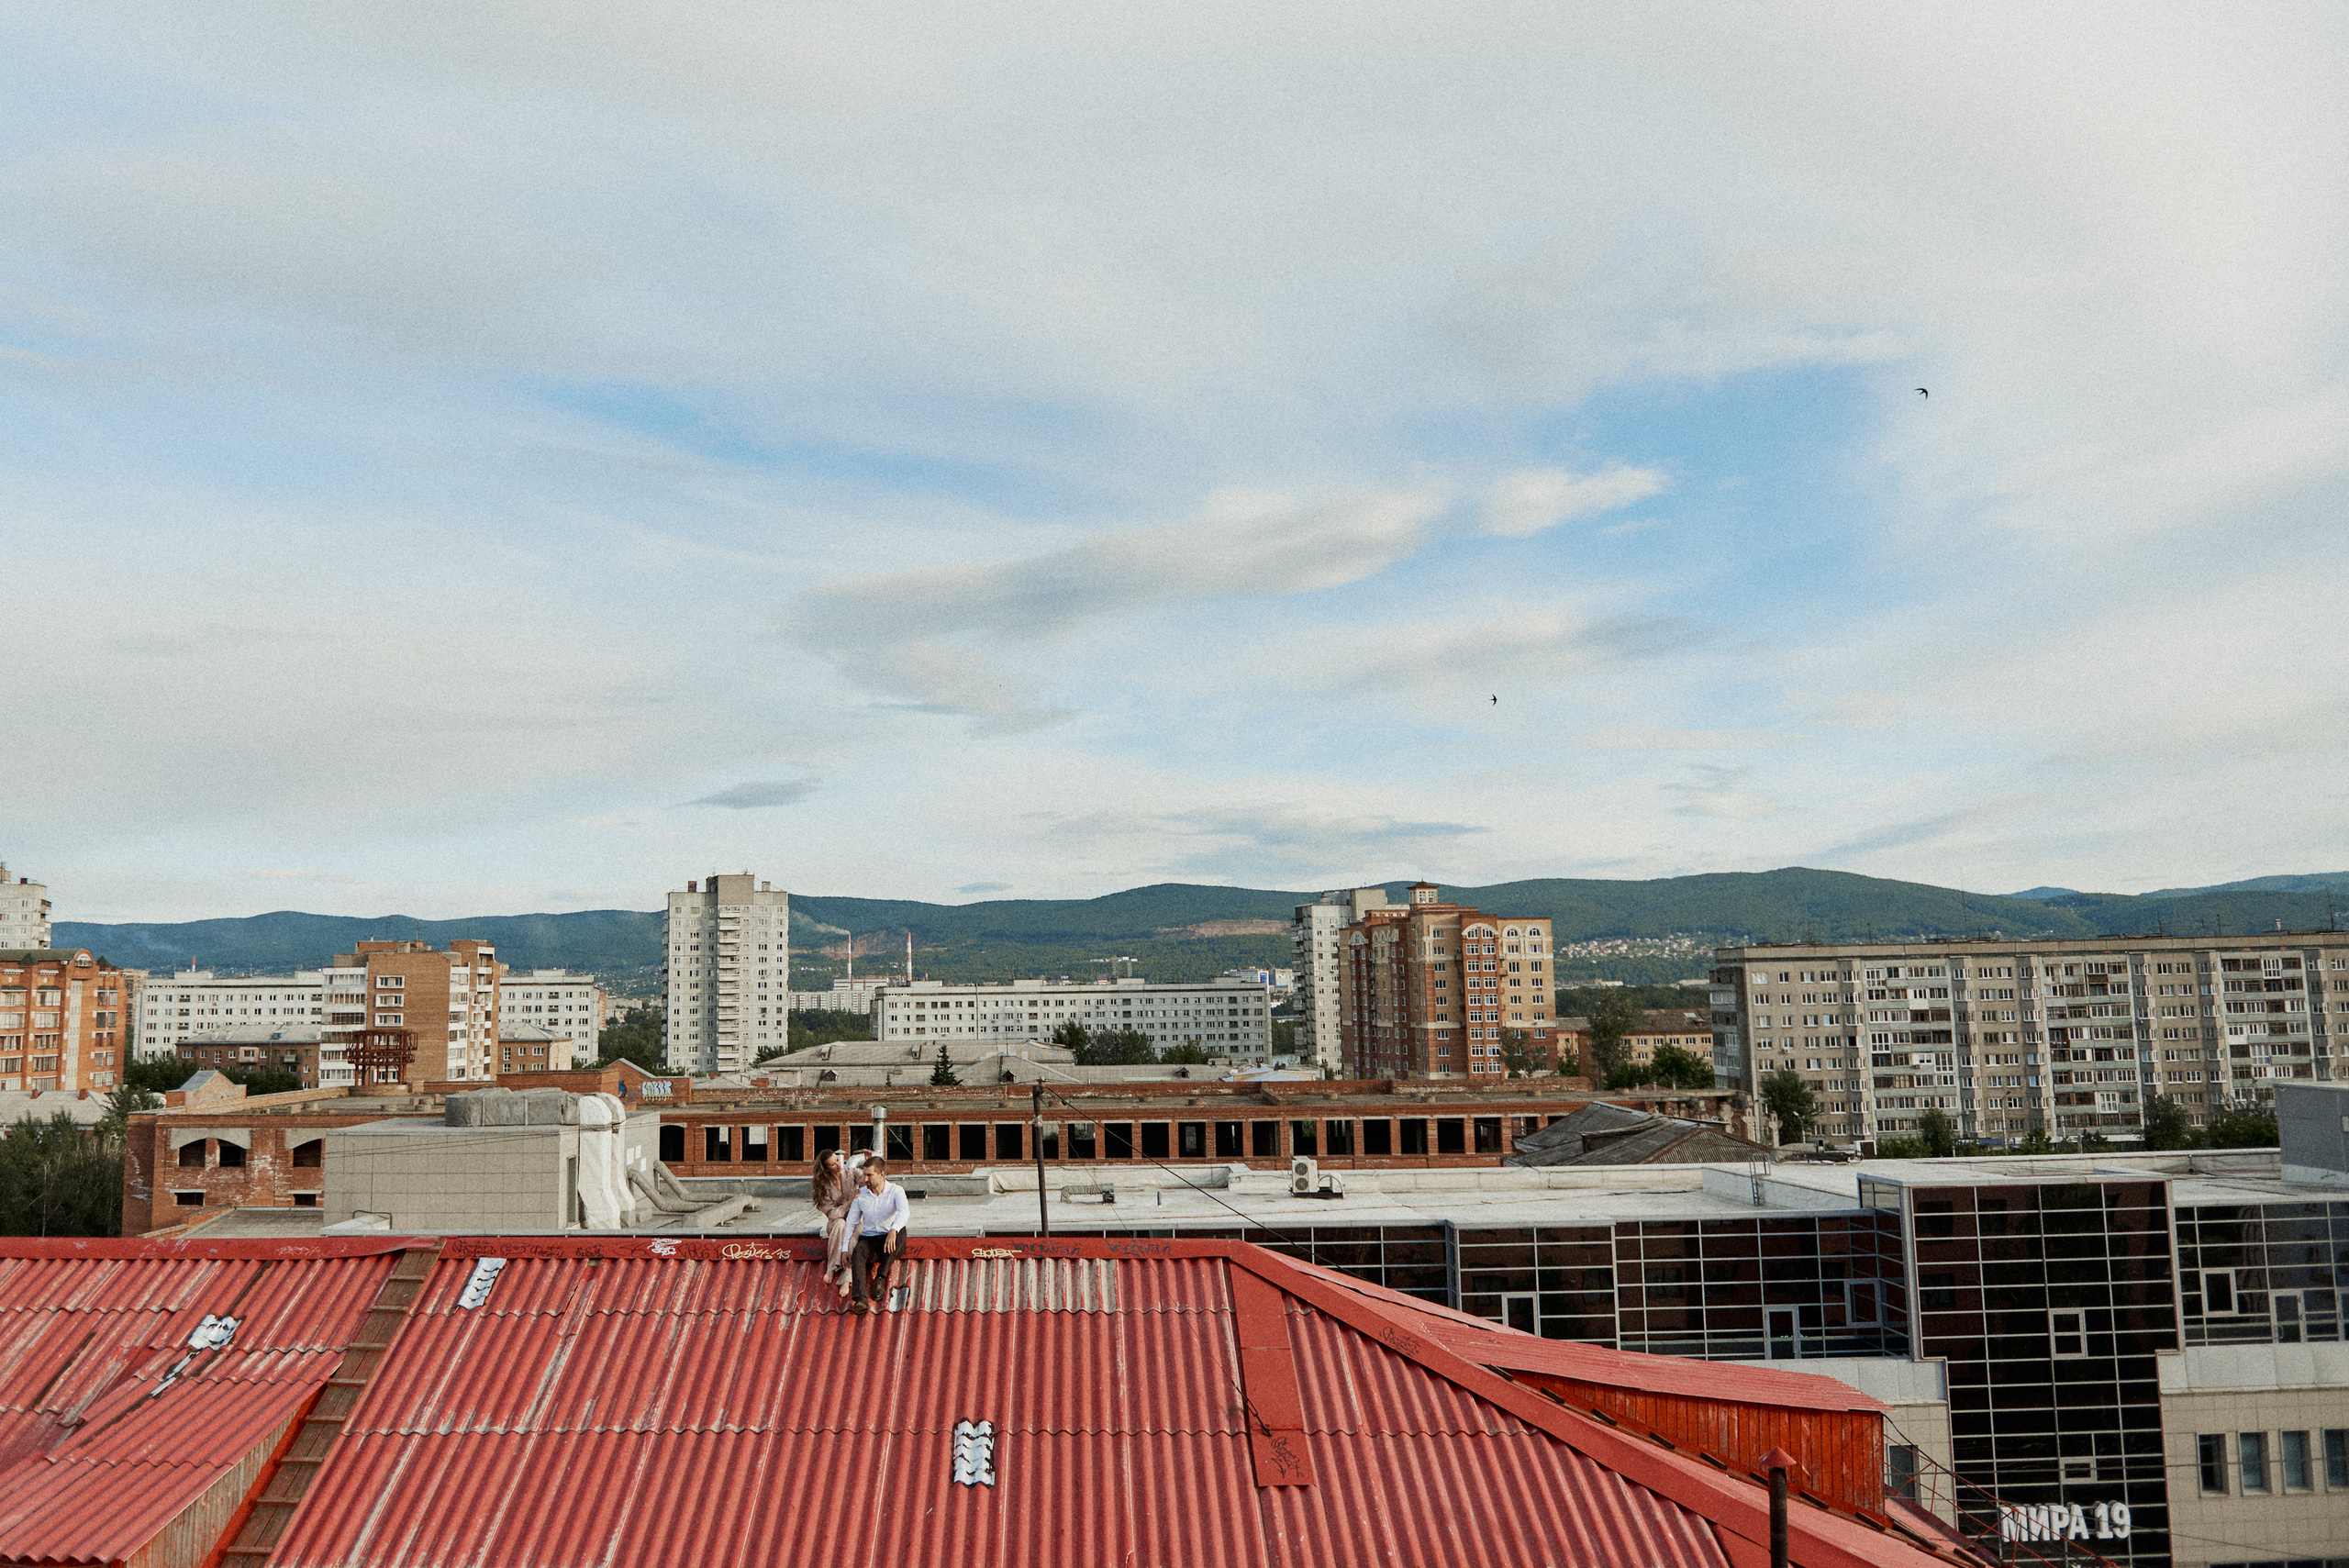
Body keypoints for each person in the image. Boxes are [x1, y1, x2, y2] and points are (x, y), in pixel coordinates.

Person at [842, 1156, 909, 1315]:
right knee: (859, 1250)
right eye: (864, 1175)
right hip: (870, 1240)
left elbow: (904, 1212)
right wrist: (844, 1248)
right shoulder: (860, 1195)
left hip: (890, 1240)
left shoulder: (896, 1191)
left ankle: (881, 1277)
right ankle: (860, 1299)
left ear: (881, 1174)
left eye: (869, 1175)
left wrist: (893, 1230)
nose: (865, 1179)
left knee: (901, 1231)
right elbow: (851, 1222)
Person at [812, 1150, 854, 1290]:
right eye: (832, 1164)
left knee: (856, 1227)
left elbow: (868, 1178)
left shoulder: (850, 1174)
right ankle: (832, 1267)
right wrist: (848, 1204)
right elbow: (832, 1214)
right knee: (841, 1224)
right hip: (836, 1223)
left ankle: (847, 1278)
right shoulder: (823, 1187)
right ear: (826, 1169)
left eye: (837, 1160)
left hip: (853, 1220)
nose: (838, 1165)